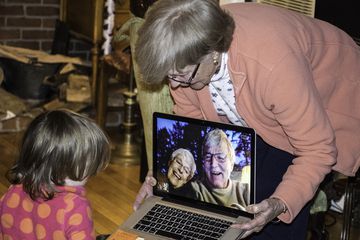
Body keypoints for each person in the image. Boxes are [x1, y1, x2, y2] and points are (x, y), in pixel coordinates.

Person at [132, 0, 360, 239]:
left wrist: (279, 203)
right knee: (222, 202)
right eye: (170, 76)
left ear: (212, 51)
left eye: (181, 76)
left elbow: (317, 149)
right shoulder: (188, 61)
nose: (176, 85)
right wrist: (159, 182)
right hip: (262, 115)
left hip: (329, 103)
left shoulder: (272, 65)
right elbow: (193, 128)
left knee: (266, 212)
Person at [0, 109, 111, 240]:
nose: (93, 170)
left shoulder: (13, 191)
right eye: (90, 162)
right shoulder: (74, 206)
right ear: (66, 164)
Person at [190, 129, 250, 211]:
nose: (213, 164)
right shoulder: (195, 189)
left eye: (220, 157)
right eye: (208, 157)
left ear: (231, 164)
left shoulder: (246, 191)